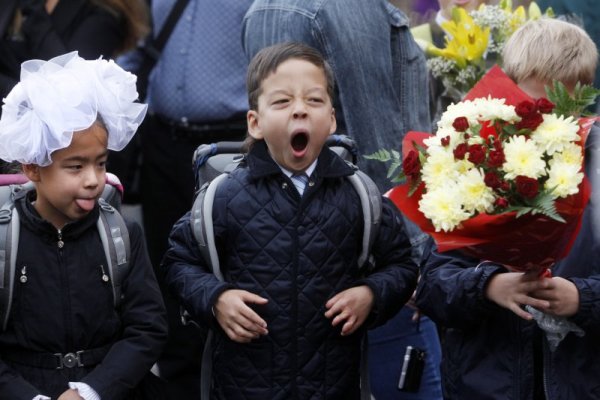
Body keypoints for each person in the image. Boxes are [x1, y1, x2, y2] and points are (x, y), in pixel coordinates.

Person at [162, 42, 419, 399]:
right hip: (245, 387)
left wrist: (371, 294)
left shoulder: (360, 195)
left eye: (313, 100)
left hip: (334, 386)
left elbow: (402, 265)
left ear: (331, 119)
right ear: (255, 122)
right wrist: (216, 299)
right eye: (282, 102)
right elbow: (178, 262)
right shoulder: (223, 196)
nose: (299, 110)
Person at [242, 2, 442, 399]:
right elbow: (281, 162)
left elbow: (399, 138)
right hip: (360, 275)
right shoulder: (288, 11)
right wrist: (409, 262)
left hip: (399, 266)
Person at [415, 18, 600, 399]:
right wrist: (489, 286)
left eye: (561, 111)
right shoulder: (472, 163)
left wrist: (583, 298)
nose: (546, 123)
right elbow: (433, 284)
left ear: (584, 99)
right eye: (534, 106)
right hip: (487, 382)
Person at [0, 52, 167, 400]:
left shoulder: (121, 234)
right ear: (33, 168)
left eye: (101, 163)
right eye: (75, 167)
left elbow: (147, 329)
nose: (94, 179)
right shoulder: (5, 241)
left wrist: (92, 390)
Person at [117, 1, 254, 396]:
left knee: (228, 266)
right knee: (166, 265)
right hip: (163, 141)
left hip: (231, 145)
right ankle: (178, 380)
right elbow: (145, 48)